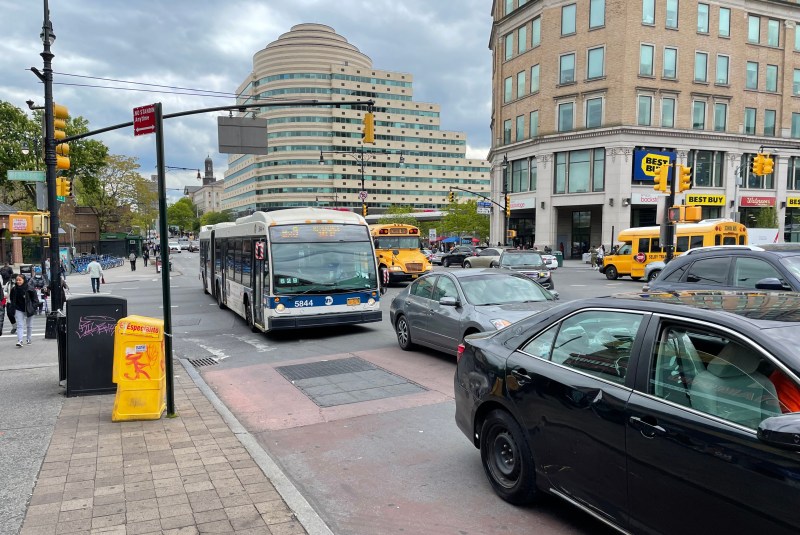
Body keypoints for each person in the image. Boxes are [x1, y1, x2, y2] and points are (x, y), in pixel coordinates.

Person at [10, 274, 38, 347]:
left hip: (29, 308)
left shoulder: (30, 289)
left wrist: (33, 308)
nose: (18, 281)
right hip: (18, 309)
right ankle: (20, 340)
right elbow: (12, 299)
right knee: (20, 325)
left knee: (29, 326)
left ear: (24, 280)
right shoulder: (14, 289)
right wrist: (13, 307)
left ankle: (29, 339)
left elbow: (35, 300)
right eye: (17, 280)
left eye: (20, 280)